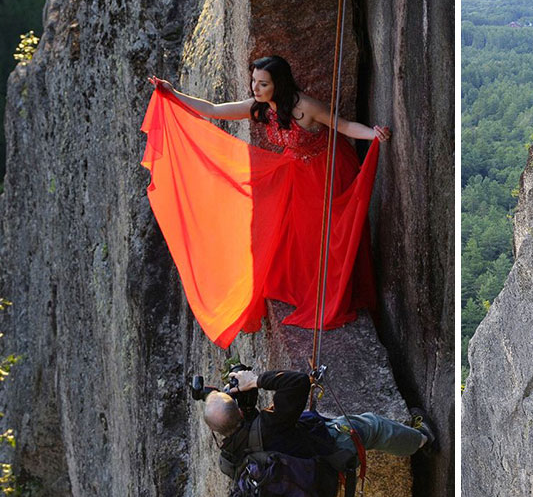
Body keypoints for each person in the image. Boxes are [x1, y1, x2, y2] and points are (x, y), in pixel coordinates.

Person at [141, 56, 391, 348]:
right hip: (295, 172)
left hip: (327, 170)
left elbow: (344, 126)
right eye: (254, 82)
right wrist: (172, 94)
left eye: (263, 83)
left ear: (278, 84)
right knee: (295, 234)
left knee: (326, 233)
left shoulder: (305, 107)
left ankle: (334, 291)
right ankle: (306, 288)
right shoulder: (259, 108)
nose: (256, 88)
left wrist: (373, 134)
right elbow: (213, 110)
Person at [204, 368, 434, 465]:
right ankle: (423, 440)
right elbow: (296, 382)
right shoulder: (270, 425)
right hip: (326, 451)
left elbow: (234, 417)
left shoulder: (232, 453)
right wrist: (254, 381)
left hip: (301, 457)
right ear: (241, 412)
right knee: (373, 426)